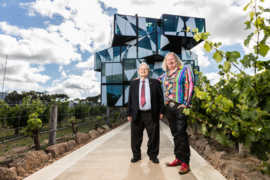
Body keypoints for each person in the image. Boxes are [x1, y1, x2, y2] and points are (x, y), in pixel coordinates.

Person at [158, 52, 194, 174]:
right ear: (166, 63)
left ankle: (185, 162)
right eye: (168, 60)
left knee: (181, 133)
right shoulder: (164, 76)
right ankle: (178, 158)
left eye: (172, 59)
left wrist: (186, 103)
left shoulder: (184, 70)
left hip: (180, 106)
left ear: (176, 60)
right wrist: (141, 78)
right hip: (169, 107)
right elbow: (153, 83)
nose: (171, 61)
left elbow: (190, 85)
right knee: (175, 133)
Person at [127, 62, 164, 164]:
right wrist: (129, 113)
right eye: (141, 69)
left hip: (151, 113)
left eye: (145, 69)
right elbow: (130, 99)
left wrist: (161, 111)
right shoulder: (133, 83)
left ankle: (153, 155)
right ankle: (136, 155)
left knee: (153, 136)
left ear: (148, 71)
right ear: (138, 71)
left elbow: (161, 98)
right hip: (137, 113)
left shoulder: (155, 82)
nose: (143, 71)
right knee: (135, 136)